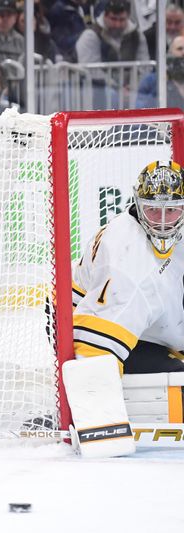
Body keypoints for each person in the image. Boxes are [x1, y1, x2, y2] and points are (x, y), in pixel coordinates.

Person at [66, 161, 184, 457]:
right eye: (153, 210)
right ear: (138, 205)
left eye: (172, 210)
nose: (162, 222)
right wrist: (100, 427)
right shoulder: (129, 264)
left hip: (145, 325)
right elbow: (94, 349)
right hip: (81, 328)